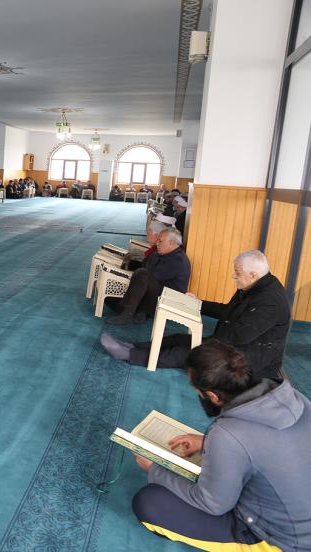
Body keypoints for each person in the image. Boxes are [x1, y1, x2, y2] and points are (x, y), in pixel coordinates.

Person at [131, 340, 311, 552]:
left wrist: (154, 470)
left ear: (213, 396)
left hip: (284, 542)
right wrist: (206, 442)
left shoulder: (228, 435)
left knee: (149, 502)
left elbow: (213, 503)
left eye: (197, 390)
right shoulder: (296, 398)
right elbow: (271, 447)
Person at [101, 250, 291, 381]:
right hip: (233, 345)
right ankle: (133, 346)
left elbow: (238, 336)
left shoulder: (270, 301)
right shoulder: (254, 286)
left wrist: (203, 345)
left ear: (253, 275)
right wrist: (198, 304)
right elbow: (226, 311)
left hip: (248, 362)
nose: (233, 276)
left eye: (237, 272)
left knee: (187, 352)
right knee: (178, 338)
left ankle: (129, 354)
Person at [104, 227, 190, 325]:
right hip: (154, 295)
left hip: (165, 301)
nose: (157, 243)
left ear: (171, 243)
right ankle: (140, 312)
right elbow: (145, 263)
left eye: (160, 241)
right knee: (109, 300)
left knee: (142, 274)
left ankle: (127, 314)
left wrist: (151, 261)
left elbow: (153, 274)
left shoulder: (178, 260)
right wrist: (152, 260)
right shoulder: (166, 253)